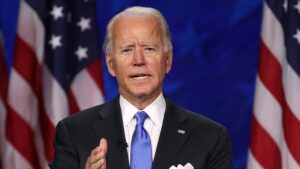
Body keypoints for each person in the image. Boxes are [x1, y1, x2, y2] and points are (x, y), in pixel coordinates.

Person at [49, 6, 233, 169]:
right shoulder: (74, 132)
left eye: (149, 49)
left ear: (168, 60)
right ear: (111, 64)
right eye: (127, 50)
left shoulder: (211, 138)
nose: (139, 60)